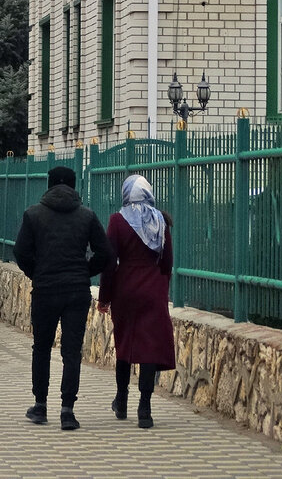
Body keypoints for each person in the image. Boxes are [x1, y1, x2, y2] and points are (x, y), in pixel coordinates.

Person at [14, 166, 112, 431]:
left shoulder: (33, 214)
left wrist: (37, 272)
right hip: (76, 292)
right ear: (73, 185)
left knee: (41, 347)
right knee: (71, 351)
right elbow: (105, 253)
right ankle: (68, 411)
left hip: (45, 290)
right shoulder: (87, 215)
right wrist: (84, 272)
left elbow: (21, 252)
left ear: (49, 185)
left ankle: (40, 406)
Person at [98, 174, 175, 430]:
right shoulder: (160, 221)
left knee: (125, 344)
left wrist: (104, 298)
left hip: (125, 291)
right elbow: (167, 263)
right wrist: (160, 286)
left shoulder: (117, 220)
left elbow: (109, 263)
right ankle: (145, 408)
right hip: (153, 291)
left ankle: (121, 400)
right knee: (150, 347)